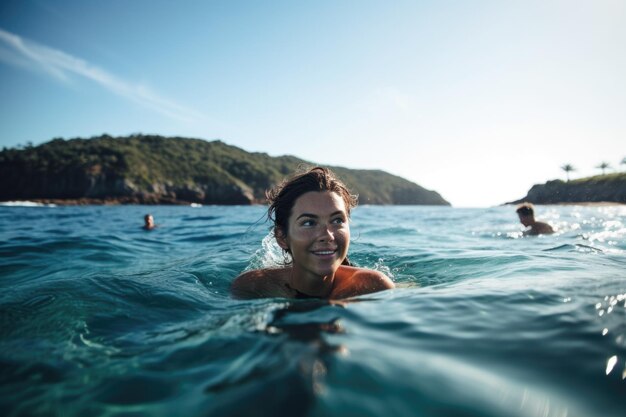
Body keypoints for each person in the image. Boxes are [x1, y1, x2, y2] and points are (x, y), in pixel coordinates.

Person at [231, 166, 395, 300]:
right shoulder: (253, 287)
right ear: (281, 237)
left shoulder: (372, 287)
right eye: (309, 223)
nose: (328, 235)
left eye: (337, 221)